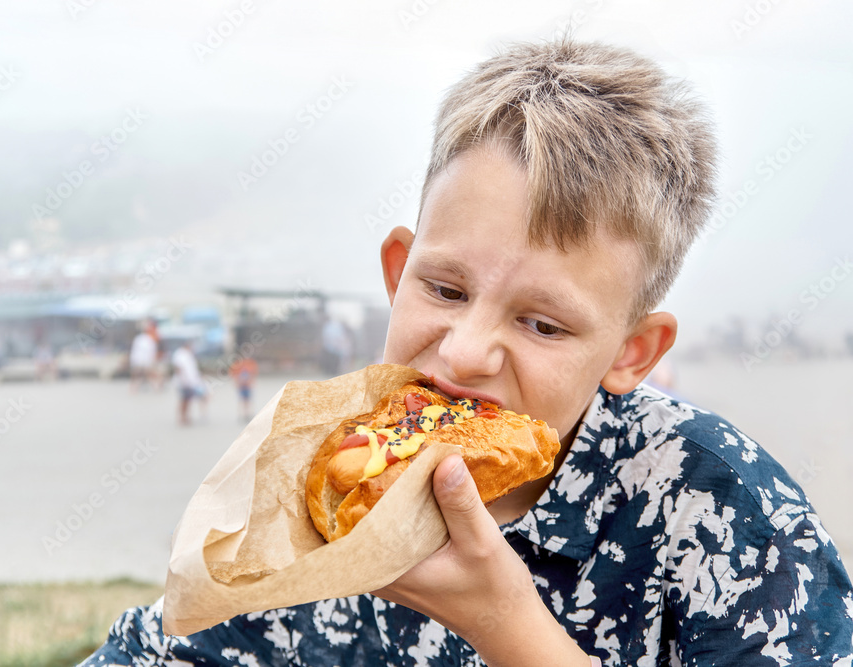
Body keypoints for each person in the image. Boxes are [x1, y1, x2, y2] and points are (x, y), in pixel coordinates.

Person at [81, 39, 853, 666]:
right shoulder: (322, 498)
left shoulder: (717, 504)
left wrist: (506, 623)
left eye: (543, 325)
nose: (468, 349)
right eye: (445, 290)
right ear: (397, 273)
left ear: (632, 351)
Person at [171, 340, 202, 426]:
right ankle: (181, 417)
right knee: (183, 400)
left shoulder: (187, 354)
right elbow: (178, 368)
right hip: (183, 382)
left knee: (188, 400)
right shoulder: (180, 354)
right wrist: (183, 380)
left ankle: (185, 417)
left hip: (189, 381)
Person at [129, 320, 160, 392]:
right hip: (145, 361)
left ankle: (133, 389)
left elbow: (134, 351)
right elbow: (152, 352)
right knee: (148, 375)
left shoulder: (138, 339)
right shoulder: (150, 339)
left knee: (137, 376)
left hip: (137, 360)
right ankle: (156, 388)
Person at [229, 355, 259, 422]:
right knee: (242, 400)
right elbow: (234, 375)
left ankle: (248, 413)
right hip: (241, 386)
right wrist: (237, 383)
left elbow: (253, 375)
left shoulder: (250, 363)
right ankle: (242, 414)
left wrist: (252, 382)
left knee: (248, 400)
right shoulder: (237, 364)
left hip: (247, 386)